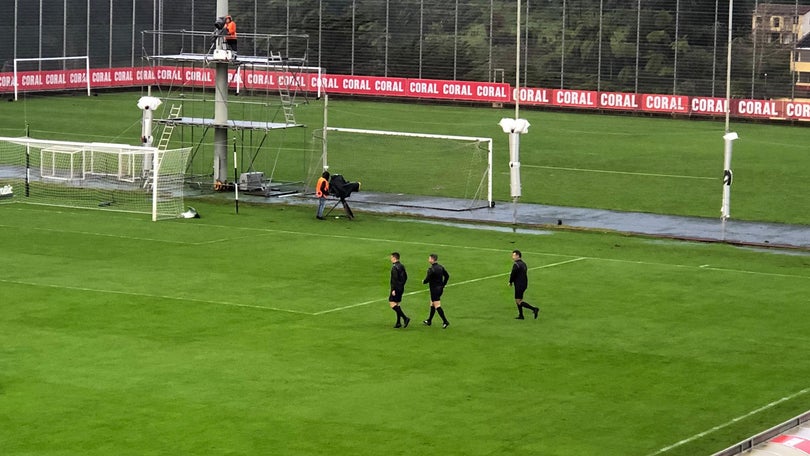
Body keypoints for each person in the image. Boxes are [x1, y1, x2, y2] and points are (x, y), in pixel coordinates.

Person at [509, 249, 539, 320]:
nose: (512, 257)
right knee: (519, 300)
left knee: (518, 301)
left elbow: (513, 274)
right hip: (524, 284)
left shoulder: (516, 265)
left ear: (517, 255)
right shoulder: (523, 264)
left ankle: (534, 309)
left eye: (513, 255)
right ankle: (521, 315)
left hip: (519, 285)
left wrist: (510, 282)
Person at [422, 253, 450, 328]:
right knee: (432, 304)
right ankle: (429, 320)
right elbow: (447, 276)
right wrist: (443, 285)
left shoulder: (431, 269)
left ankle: (445, 321)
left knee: (437, 306)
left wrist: (423, 281)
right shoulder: (441, 267)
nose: (428, 259)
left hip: (434, 290)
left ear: (432, 259)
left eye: (429, 258)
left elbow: (427, 279)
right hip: (440, 289)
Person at [389, 252, 410, 328]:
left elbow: (394, 279)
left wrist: (394, 289)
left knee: (392, 304)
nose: (390, 259)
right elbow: (405, 277)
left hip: (396, 288)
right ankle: (398, 322)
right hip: (401, 287)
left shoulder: (394, 267)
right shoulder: (402, 266)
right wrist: (402, 285)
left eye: (391, 257)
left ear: (394, 258)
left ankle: (405, 318)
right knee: (397, 304)